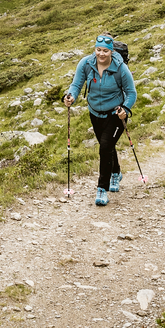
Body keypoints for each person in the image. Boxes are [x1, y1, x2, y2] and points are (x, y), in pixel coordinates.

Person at [65, 35, 136, 206]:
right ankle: (116, 173)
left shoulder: (120, 68)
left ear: (111, 51)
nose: (101, 54)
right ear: (95, 49)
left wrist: (125, 109)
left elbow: (131, 92)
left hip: (115, 114)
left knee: (105, 147)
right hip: (95, 113)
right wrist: (70, 96)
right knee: (108, 146)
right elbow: (76, 84)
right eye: (98, 50)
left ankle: (102, 189)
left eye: (105, 51)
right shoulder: (86, 64)